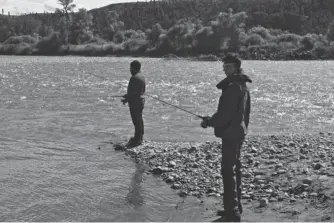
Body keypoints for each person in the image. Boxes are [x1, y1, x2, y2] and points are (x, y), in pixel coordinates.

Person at [201, 53, 252, 222]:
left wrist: (209, 122)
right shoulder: (242, 84)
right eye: (224, 66)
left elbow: (225, 115)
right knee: (235, 169)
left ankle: (232, 211)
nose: (224, 68)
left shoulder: (232, 87)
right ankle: (236, 207)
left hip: (231, 133)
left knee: (228, 171)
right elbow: (244, 113)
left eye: (227, 66)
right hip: (239, 132)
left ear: (236, 67)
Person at [121, 60, 146, 147]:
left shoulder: (134, 78)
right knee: (139, 120)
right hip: (141, 101)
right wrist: (128, 96)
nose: (130, 70)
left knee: (136, 121)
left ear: (134, 68)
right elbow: (137, 91)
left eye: (130, 68)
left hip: (135, 103)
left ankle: (137, 140)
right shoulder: (142, 76)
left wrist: (125, 99)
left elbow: (131, 94)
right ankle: (140, 137)